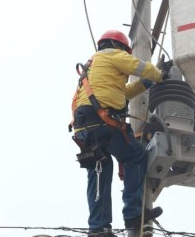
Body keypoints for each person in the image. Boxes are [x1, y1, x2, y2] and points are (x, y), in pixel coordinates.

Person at [70, 30, 171, 237]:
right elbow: (138, 66)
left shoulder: (92, 69)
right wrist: (159, 75)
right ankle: (133, 214)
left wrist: (147, 83)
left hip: (84, 129)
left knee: (99, 171)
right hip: (105, 123)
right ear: (120, 48)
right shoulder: (113, 54)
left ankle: (98, 229)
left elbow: (124, 94)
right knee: (136, 156)